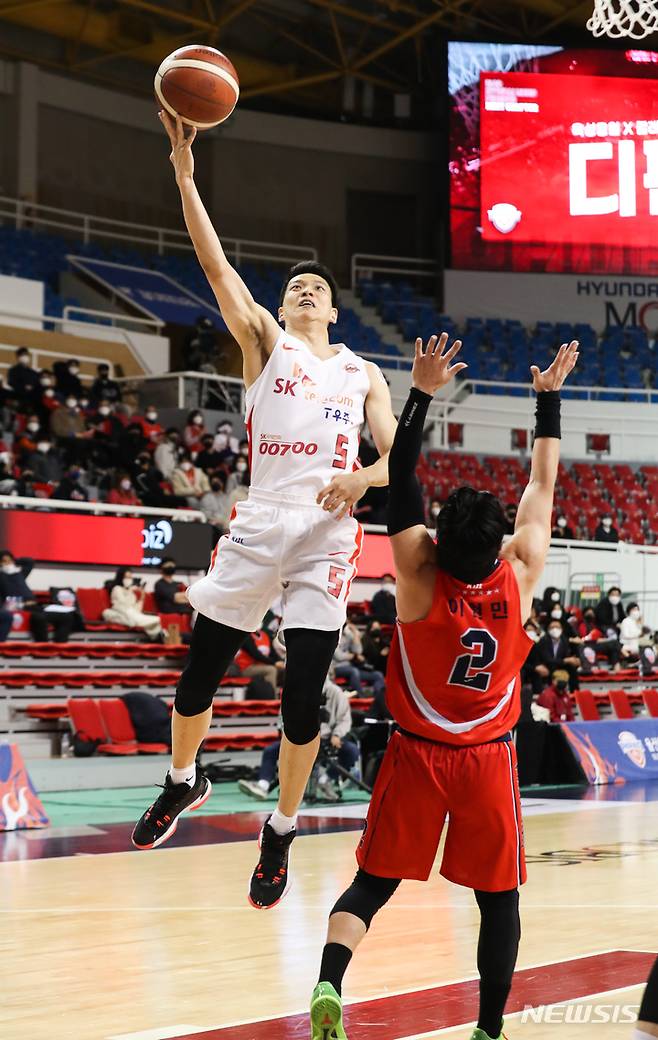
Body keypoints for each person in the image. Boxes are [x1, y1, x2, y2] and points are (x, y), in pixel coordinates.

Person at [131, 112, 397, 920]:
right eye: (294, 288)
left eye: (316, 289)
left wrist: (365, 482)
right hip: (261, 518)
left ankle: (280, 828)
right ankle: (184, 779)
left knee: (304, 695)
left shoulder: (363, 372)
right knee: (199, 673)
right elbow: (215, 264)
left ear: (336, 312)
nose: (305, 291)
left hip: (326, 531)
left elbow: (399, 464)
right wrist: (184, 172)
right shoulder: (264, 342)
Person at [308, 335, 578, 1040]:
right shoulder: (520, 571)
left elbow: (402, 481)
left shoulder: (417, 576)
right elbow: (542, 486)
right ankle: (489, 1030)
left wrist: (420, 393)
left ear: (436, 542)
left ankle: (330, 983)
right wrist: (547, 403)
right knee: (499, 901)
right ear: (498, 546)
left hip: (416, 753)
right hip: (488, 759)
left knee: (374, 882)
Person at [239, 676, 358, 801]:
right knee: (271, 751)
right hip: (300, 737)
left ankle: (326, 780)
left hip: (328, 738)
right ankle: (263, 785)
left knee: (351, 751)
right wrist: (287, 733)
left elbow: (345, 719)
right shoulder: (295, 692)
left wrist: (337, 734)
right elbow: (283, 717)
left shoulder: (335, 693)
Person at [0, 551, 75, 641]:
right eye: (5, 561)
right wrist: (24, 604)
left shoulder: (20, 573)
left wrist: (15, 561)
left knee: (66, 616)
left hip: (35, 607)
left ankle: (59, 646)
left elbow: (29, 561)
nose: (8, 564)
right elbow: (5, 604)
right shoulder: (1, 576)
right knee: (39, 618)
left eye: (10, 561)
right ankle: (43, 647)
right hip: (21, 608)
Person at [103, 568, 162, 640]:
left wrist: (142, 597)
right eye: (126, 577)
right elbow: (122, 605)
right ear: (121, 578)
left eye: (130, 577)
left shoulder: (131, 593)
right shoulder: (117, 588)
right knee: (153, 621)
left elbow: (137, 610)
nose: (129, 579)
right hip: (122, 613)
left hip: (133, 614)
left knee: (156, 622)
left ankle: (156, 638)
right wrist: (129, 591)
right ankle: (158, 637)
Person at [533, 618, 580, 692]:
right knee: (540, 670)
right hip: (547, 665)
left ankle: (574, 692)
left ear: (561, 629)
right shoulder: (543, 641)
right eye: (552, 627)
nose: (555, 629)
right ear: (548, 630)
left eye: (557, 627)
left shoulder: (564, 641)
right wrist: (566, 660)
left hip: (560, 665)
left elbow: (568, 655)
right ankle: (539, 693)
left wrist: (575, 661)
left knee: (572, 668)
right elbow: (547, 659)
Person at [234, 627, 282, 696]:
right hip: (245, 668)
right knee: (271, 670)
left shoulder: (265, 635)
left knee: (283, 670)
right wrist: (274, 663)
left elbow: (273, 654)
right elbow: (255, 654)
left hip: (262, 666)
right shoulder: (246, 635)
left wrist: (280, 662)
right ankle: (271, 697)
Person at [619, 603, 656, 675]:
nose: (636, 611)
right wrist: (639, 635)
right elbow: (626, 635)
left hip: (638, 643)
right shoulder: (626, 621)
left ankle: (645, 665)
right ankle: (640, 666)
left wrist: (641, 624)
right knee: (644, 649)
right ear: (629, 611)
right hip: (628, 643)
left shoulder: (638, 623)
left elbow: (647, 634)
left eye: (637, 609)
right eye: (634, 609)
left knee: (652, 648)